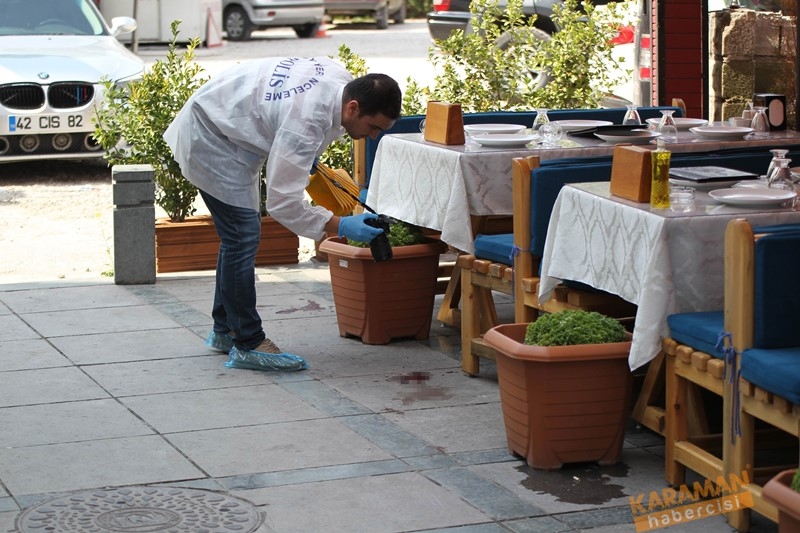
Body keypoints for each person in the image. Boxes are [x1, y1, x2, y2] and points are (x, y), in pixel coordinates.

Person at [164, 57, 401, 372]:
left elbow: (287, 118)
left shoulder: (339, 82)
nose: (373, 137)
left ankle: (225, 330)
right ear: (353, 108)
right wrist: (339, 224)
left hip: (222, 120)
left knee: (238, 237)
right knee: (242, 235)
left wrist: (307, 157)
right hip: (210, 137)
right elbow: (282, 203)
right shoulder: (305, 123)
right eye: (373, 127)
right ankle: (247, 343)